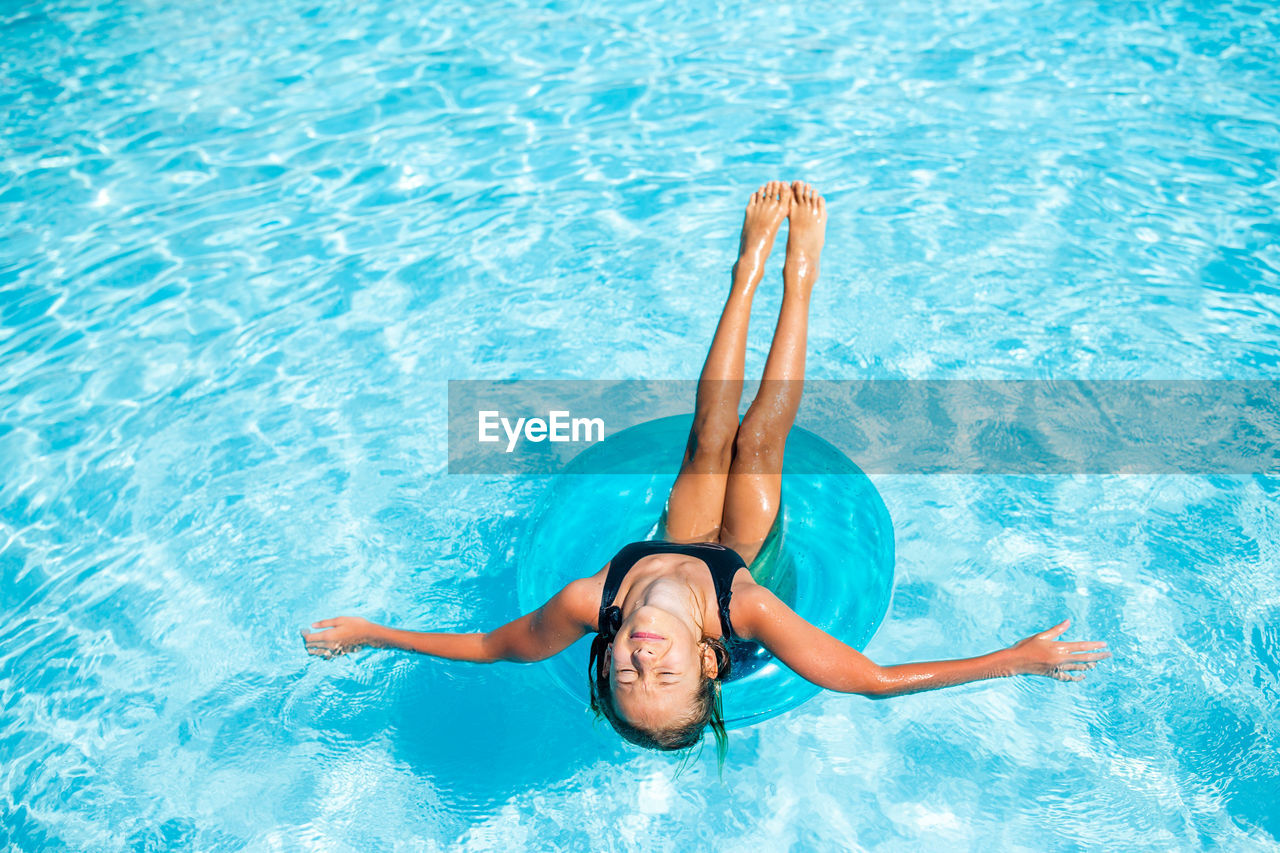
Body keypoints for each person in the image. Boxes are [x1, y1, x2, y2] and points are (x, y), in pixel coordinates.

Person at [302, 181, 1110, 758]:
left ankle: (746, 269)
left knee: (703, 438)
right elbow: (873, 680)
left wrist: (372, 633)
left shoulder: (595, 600)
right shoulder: (748, 615)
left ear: (607, 654)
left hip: (672, 544)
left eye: (626, 673)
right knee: (758, 440)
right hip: (744, 565)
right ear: (708, 661)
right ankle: (798, 279)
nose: (643, 658)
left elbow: (490, 646)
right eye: (666, 671)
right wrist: (1020, 658)